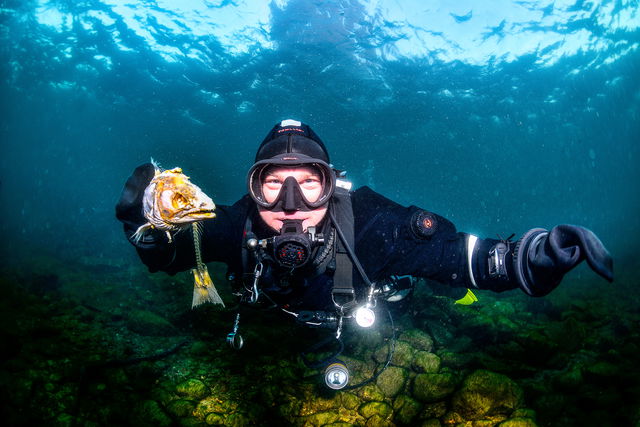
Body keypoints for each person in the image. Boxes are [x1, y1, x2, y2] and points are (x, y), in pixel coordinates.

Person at [116, 119, 613, 338]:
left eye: (310, 184)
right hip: (280, 320)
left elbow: (461, 257)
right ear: (253, 189)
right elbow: (168, 256)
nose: (291, 205)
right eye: (273, 186)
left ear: (333, 186)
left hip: (364, 315)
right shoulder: (233, 225)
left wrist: (532, 257)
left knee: (435, 288)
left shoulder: (373, 224)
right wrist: (145, 227)